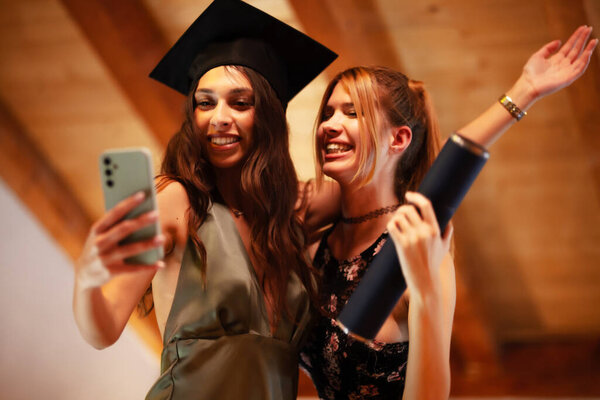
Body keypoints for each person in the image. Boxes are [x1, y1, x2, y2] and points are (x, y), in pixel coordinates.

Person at [299, 25, 597, 399]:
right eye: (327, 113)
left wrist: (526, 91)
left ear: (399, 139)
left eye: (352, 112)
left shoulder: (417, 250)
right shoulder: (315, 241)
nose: (329, 125)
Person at [71, 0, 337, 399]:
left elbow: (379, 181)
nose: (219, 117)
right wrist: (87, 281)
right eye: (205, 102)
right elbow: (103, 329)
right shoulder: (175, 202)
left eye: (240, 103)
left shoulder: (287, 220)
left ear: (267, 116)